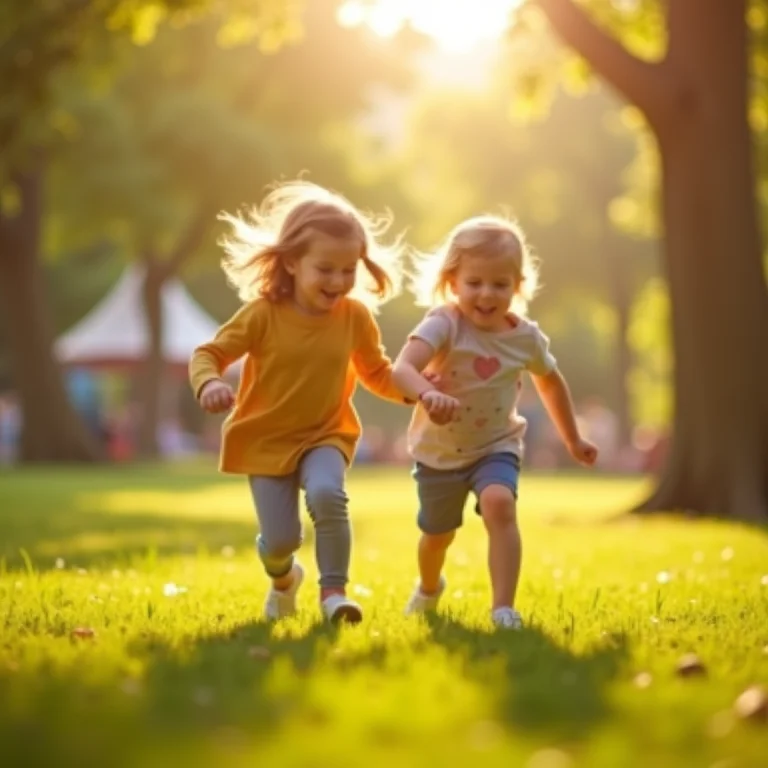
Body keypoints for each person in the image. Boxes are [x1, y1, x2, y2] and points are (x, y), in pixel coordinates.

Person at [189, 180, 414, 625]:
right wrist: (209, 383)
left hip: (325, 433)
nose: (339, 281)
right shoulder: (262, 313)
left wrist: (419, 390)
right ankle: (283, 578)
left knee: (329, 494)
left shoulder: (354, 317)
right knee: (279, 542)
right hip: (265, 439)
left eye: (349, 270)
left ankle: (334, 593)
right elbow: (207, 354)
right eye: (326, 269)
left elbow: (378, 373)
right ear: (292, 262)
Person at [392, 215, 598, 629]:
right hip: (439, 451)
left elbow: (551, 383)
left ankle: (503, 607)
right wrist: (427, 392)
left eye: (500, 284)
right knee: (437, 536)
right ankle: (429, 587)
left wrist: (573, 439)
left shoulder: (526, 337)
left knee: (500, 505)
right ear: (453, 282)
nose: (487, 294)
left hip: (496, 444)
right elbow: (402, 369)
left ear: (517, 286)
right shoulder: (443, 323)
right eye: (475, 282)